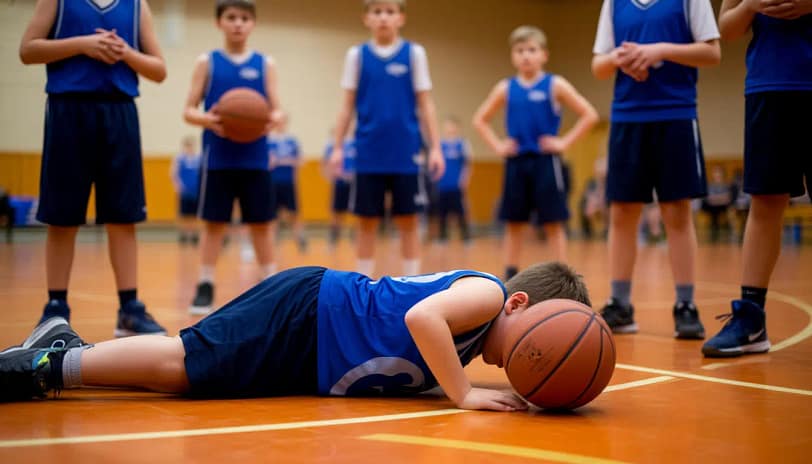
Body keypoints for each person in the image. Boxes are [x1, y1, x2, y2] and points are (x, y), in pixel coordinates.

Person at [0, 261, 589, 411]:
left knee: (191, 379)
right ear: (517, 303)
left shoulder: (477, 333)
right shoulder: (486, 293)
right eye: (539, 345)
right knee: (186, 362)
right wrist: (462, 394)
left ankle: (65, 353)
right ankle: (52, 362)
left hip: (314, 351)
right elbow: (419, 320)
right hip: (312, 310)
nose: (534, 360)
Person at [19, 0, 167, 336]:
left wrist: (125, 53)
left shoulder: (136, 6)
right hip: (67, 110)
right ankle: (56, 307)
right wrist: (84, 44)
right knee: (62, 215)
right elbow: (27, 50)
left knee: (124, 215)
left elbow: (159, 69)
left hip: (120, 111)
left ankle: (129, 308)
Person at [591, 0, 721, 339]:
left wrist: (659, 50)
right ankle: (620, 303)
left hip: (676, 114)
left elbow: (712, 53)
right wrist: (620, 59)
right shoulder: (615, 3)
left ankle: (685, 305)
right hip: (627, 117)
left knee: (677, 211)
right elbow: (598, 65)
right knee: (621, 212)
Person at [703, 1, 812, 357]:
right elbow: (727, 29)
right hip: (768, 86)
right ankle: (751, 320)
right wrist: (750, 4)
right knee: (765, 199)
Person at [329, 0, 445, 278]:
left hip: (406, 152)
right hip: (368, 152)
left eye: (390, 12)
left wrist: (437, 148)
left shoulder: (414, 53)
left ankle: (412, 282)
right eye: (377, 12)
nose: (383, 17)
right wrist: (337, 147)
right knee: (366, 222)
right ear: (366, 18)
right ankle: (363, 284)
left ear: (401, 18)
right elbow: (346, 105)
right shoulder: (356, 55)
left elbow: (426, 103)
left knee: (408, 221)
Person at [473, 25, 599, 281]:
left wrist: (564, 142)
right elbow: (480, 119)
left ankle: (563, 277)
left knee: (553, 221)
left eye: (532, 50)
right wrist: (498, 146)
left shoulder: (555, 84)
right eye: (520, 50)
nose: (526, 55)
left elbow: (589, 114)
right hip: (516, 162)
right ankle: (509, 274)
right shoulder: (506, 88)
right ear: (513, 56)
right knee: (513, 222)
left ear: (544, 54)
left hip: (546, 162)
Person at [183, 0, 283, 315]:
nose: (238, 23)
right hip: (218, 160)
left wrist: (272, 118)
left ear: (252, 24)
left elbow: (277, 109)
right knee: (214, 225)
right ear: (219, 23)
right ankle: (206, 284)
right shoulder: (207, 62)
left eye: (244, 18)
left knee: (262, 225)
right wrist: (210, 121)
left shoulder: (265, 63)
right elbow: (188, 111)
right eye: (231, 17)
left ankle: (271, 283)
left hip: (255, 159)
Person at [268, 118, 308, 253]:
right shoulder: (269, 141)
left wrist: (284, 161)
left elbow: (300, 160)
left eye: (282, 121)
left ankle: (300, 239)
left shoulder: (292, 141)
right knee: (272, 215)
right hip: (272, 183)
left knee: (294, 213)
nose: (280, 124)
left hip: (288, 182)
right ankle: (272, 243)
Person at [436, 117, 473, 244]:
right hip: (442, 183)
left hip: (456, 183)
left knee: (460, 210)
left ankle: (466, 237)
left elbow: (467, 164)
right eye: (447, 126)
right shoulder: (440, 144)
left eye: (452, 126)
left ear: (457, 128)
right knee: (442, 211)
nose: (450, 128)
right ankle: (442, 237)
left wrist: (465, 178)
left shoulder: (463, 144)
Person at [322, 130, 357, 249]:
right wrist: (329, 175)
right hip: (339, 182)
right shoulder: (332, 145)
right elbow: (325, 164)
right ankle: (333, 238)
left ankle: (355, 236)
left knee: (358, 211)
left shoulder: (355, 143)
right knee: (337, 211)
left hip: (354, 182)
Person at [170, 135, 202, 245]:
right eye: (187, 146)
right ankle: (184, 234)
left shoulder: (199, 159)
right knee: (184, 214)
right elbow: (173, 173)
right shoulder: (179, 159)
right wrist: (177, 186)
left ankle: (194, 234)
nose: (190, 148)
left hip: (196, 191)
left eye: (191, 146)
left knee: (195, 214)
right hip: (184, 191)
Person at [701, 165, 734, 243]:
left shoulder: (726, 185)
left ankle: (727, 229)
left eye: (719, 172)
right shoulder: (710, 186)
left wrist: (717, 199)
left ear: (722, 174)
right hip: (712, 207)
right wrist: (720, 198)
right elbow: (709, 199)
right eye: (715, 172)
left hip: (723, 207)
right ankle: (714, 231)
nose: (717, 174)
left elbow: (728, 198)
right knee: (713, 212)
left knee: (728, 210)